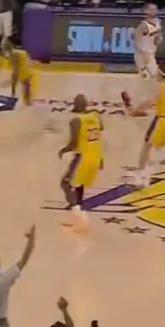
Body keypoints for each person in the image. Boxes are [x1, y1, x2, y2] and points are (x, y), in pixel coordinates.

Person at [127, 65, 165, 187]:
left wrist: (135, 110)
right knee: (157, 147)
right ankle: (149, 172)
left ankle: (140, 176)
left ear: (160, 74)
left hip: (163, 121)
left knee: (146, 146)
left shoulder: (161, 87)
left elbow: (149, 102)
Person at [58, 94, 103, 230]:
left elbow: (74, 143)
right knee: (80, 183)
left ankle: (79, 216)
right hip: (96, 155)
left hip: (82, 157)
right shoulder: (96, 116)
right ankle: (77, 207)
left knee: (65, 183)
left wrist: (63, 150)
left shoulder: (76, 121)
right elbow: (100, 130)